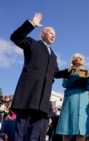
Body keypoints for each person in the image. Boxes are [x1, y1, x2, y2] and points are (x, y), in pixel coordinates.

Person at [9, 12, 69, 141]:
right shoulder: (32, 44)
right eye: (51, 32)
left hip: (43, 99)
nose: (54, 35)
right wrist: (31, 25)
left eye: (55, 35)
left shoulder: (53, 56)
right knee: (20, 127)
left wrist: (69, 71)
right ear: (43, 34)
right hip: (28, 94)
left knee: (35, 132)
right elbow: (16, 37)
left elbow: (55, 73)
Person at [56, 53, 89, 141]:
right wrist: (73, 77)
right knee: (67, 128)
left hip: (84, 100)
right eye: (78, 58)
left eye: (81, 58)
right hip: (71, 99)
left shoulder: (87, 72)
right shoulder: (69, 71)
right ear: (73, 61)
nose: (80, 59)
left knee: (81, 129)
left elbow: (88, 87)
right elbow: (65, 84)